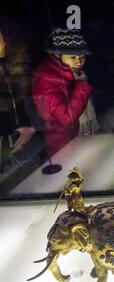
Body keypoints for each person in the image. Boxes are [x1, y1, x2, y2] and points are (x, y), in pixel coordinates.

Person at [32, 28, 98, 157]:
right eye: (72, 57)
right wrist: (81, 85)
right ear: (57, 55)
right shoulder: (47, 80)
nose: (78, 61)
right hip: (61, 144)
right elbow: (66, 118)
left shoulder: (69, 74)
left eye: (82, 57)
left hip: (74, 138)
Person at [0, 26, 43, 172]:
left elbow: (39, 97)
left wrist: (34, 127)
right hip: (6, 147)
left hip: (33, 141)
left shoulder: (22, 64)